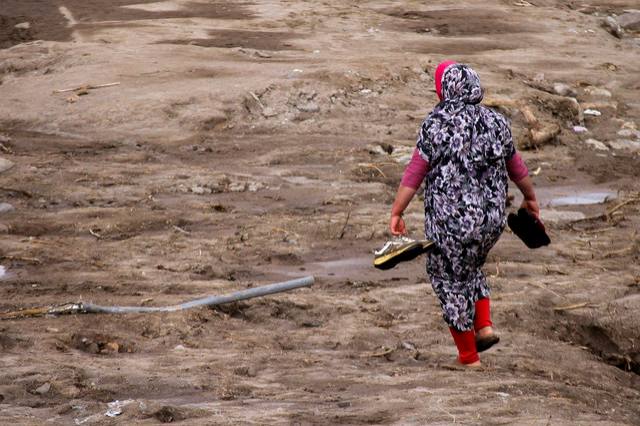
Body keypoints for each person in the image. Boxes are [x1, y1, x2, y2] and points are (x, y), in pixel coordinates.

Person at [388, 61, 539, 367]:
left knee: (447, 277)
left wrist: (397, 211)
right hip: (490, 222)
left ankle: (469, 357)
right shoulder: (497, 122)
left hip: (450, 223)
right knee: (471, 266)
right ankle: (483, 326)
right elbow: (516, 167)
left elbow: (415, 172)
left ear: (443, 89)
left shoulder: (436, 123)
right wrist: (531, 196)